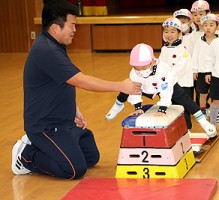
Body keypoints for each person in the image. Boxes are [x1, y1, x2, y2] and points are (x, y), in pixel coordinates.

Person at [11, 0, 141, 179]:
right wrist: (120, 86)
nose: (74, 30)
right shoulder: (46, 50)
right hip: (45, 126)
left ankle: (51, 147)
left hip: (63, 121)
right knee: (73, 170)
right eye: (72, 25)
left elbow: (62, 82)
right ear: (56, 28)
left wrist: (74, 109)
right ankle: (27, 155)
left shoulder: (54, 45)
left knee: (91, 157)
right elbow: (81, 80)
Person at [128, 43, 217, 138]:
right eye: (137, 68)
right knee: (127, 89)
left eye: (144, 68)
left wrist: (162, 110)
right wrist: (138, 108)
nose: (141, 71)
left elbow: (166, 92)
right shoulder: (133, 73)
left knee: (185, 101)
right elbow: (134, 90)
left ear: (153, 62)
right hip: (152, 85)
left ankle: (204, 122)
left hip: (169, 84)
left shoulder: (162, 71)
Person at [158, 17, 194, 129]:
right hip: (168, 85)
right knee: (172, 109)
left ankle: (186, 130)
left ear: (179, 33)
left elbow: (181, 68)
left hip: (182, 85)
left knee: (183, 109)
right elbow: (160, 65)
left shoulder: (182, 49)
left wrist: (168, 78)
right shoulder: (164, 48)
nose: (169, 34)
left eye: (173, 31)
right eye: (166, 31)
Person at [192, 13, 219, 123]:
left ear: (217, 27)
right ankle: (203, 111)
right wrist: (194, 70)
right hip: (202, 71)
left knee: (218, 93)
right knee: (202, 93)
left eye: (211, 25)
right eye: (205, 25)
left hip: (217, 72)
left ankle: (218, 111)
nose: (208, 27)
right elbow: (195, 56)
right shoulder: (199, 41)